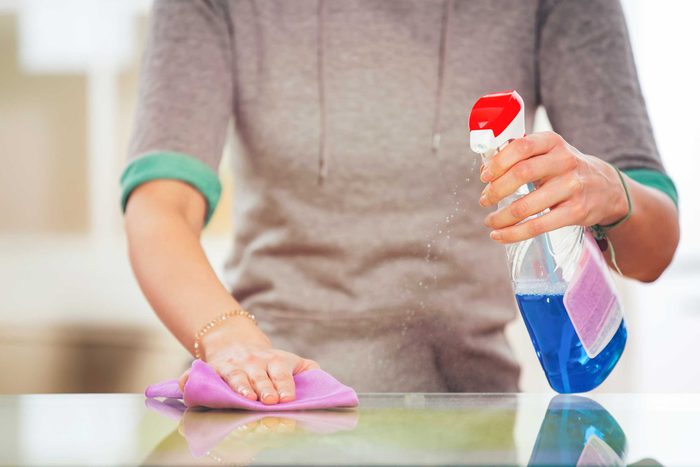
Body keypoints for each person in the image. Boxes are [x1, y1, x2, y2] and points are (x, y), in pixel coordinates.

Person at [121, 0, 679, 403]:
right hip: (266, 409)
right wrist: (236, 346)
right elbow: (160, 206)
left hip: (464, 418)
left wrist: (610, 192)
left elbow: (652, 252)